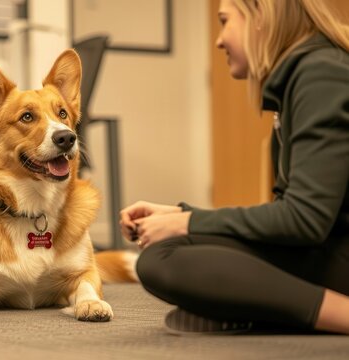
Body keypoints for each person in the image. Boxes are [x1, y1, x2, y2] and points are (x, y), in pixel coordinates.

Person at [121, 0, 349, 335]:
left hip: (337, 251)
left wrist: (187, 223)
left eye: (225, 21)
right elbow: (288, 218)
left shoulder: (321, 74)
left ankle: (338, 315)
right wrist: (180, 215)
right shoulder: (304, 76)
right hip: (331, 248)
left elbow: (304, 221)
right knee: (162, 251)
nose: (219, 40)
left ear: (260, 16)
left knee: (166, 258)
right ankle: (270, 313)